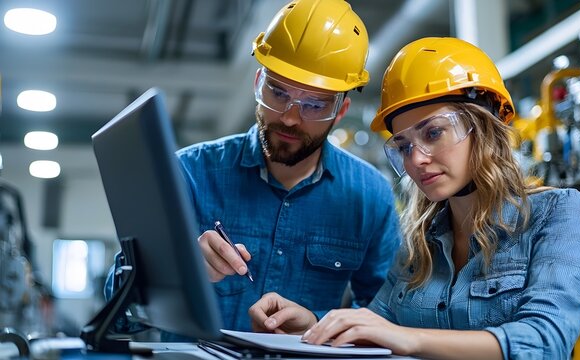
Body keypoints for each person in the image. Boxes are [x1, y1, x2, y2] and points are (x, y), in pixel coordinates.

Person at [248, 37, 580, 359]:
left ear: (483, 128)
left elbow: (546, 339)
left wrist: (410, 337)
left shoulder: (556, 213)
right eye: (404, 145)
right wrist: (312, 324)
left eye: (433, 133)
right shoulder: (419, 241)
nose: (416, 159)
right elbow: (375, 323)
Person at [104, 0, 401, 335]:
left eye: (314, 105)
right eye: (277, 92)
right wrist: (173, 272)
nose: (290, 117)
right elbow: (118, 305)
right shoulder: (187, 174)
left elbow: (385, 314)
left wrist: (318, 322)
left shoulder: (369, 195)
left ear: (341, 110)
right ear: (258, 81)